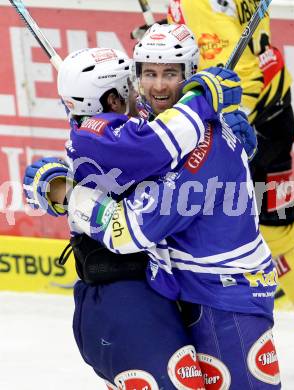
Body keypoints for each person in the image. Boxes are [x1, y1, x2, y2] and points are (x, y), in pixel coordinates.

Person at [66, 23, 281, 389]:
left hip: (224, 299)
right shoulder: (165, 123)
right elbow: (127, 145)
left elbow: (126, 231)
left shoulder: (195, 154)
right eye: (149, 73)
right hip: (194, 291)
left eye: (171, 73)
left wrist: (76, 201)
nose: (160, 85)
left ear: (191, 74)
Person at [24, 35, 244, 388]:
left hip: (152, 292)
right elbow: (155, 144)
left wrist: (228, 131)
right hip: (118, 297)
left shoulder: (118, 124)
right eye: (129, 85)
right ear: (110, 98)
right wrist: (201, 100)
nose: (139, 92)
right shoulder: (102, 134)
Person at [166, 0, 294, 370]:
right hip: (272, 114)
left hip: (249, 127)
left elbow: (242, 68)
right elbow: (223, 45)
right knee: (278, 229)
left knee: (246, 228)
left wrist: (229, 120)